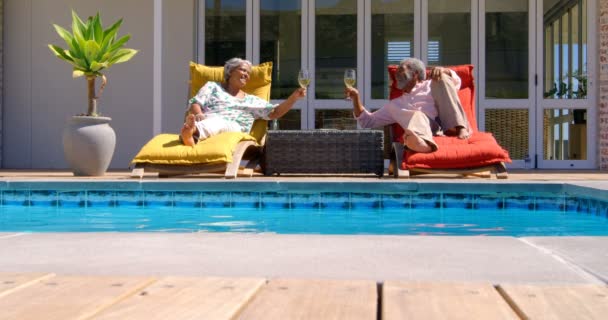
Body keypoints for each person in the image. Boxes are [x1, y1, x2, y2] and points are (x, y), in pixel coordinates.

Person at [344, 57, 470, 153]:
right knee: (415, 119)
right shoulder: (395, 105)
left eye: (401, 69)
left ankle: (459, 126)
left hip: (442, 124)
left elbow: (456, 82)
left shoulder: (431, 84)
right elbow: (367, 122)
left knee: (441, 78)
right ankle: (422, 144)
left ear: (415, 74)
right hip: (419, 131)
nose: (397, 73)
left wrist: (445, 71)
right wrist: (356, 98)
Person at [181, 57, 306, 146]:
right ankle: (192, 136)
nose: (246, 75)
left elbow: (275, 112)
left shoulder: (251, 100)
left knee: (219, 123)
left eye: (248, 73)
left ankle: (192, 132)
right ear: (230, 71)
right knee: (213, 121)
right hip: (207, 119)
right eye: (243, 70)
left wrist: (294, 97)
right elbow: (196, 103)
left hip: (233, 127)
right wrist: (198, 114)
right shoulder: (212, 87)